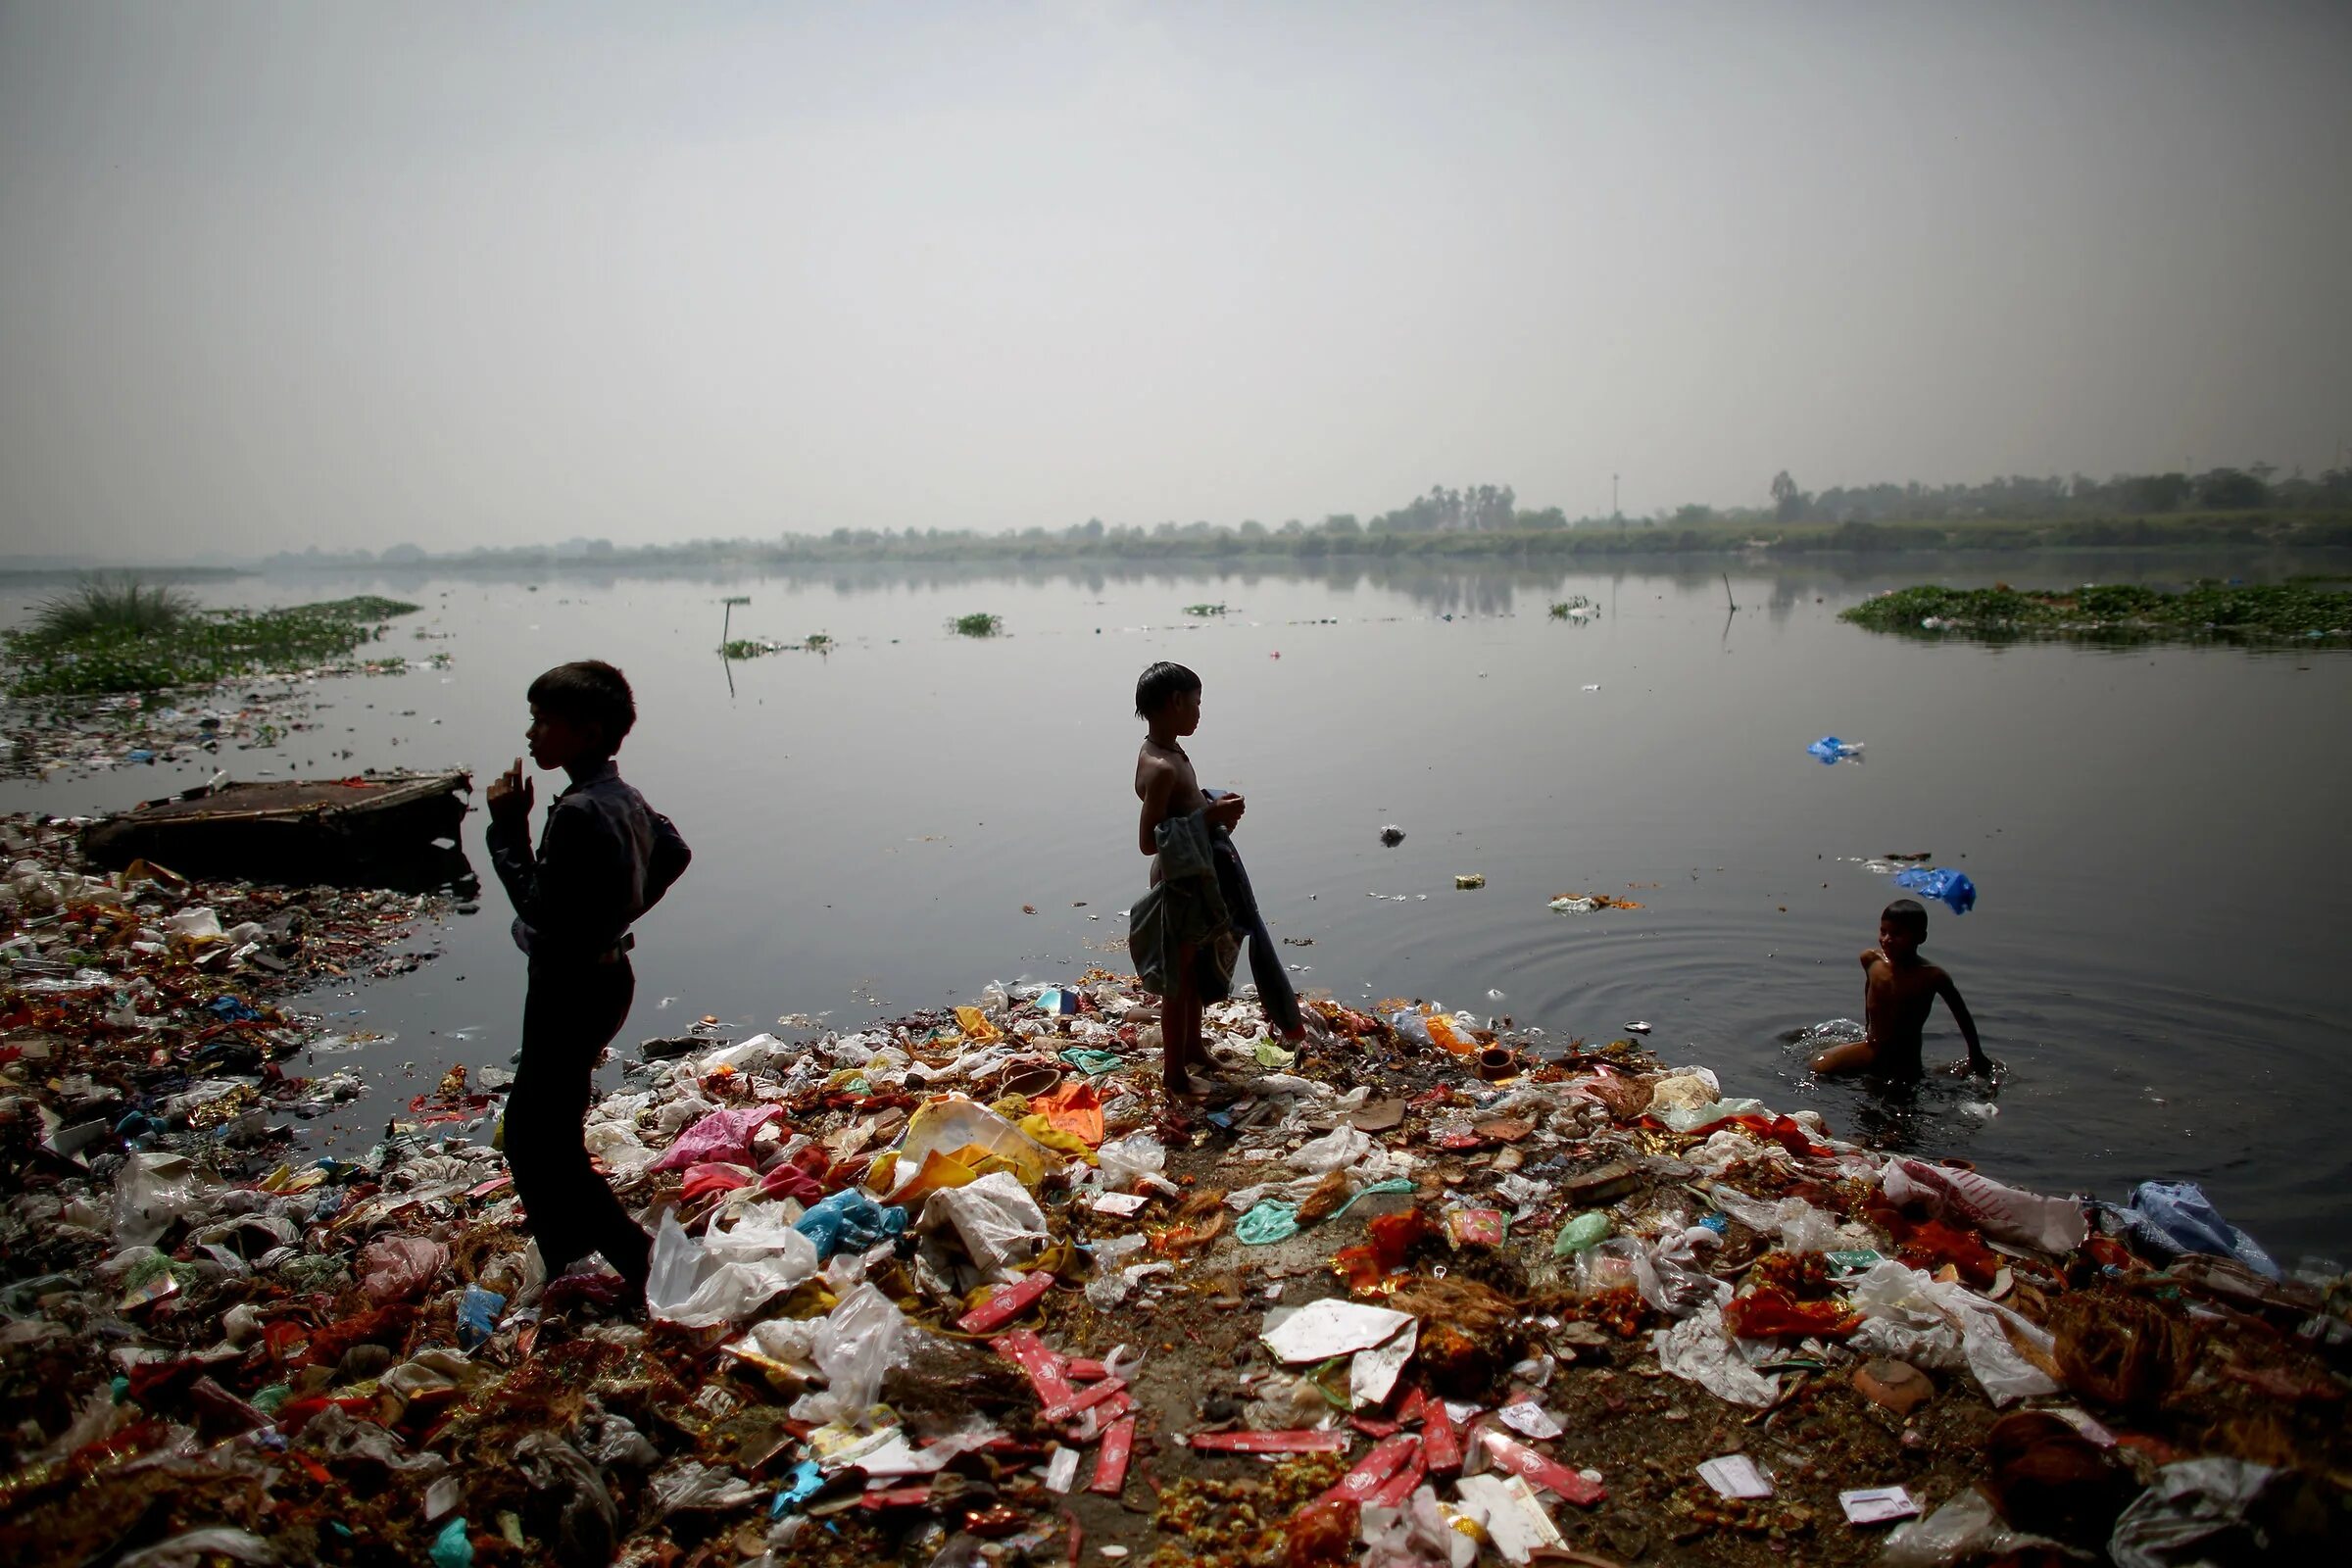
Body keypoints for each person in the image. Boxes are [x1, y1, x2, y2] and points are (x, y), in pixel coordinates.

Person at [486, 661, 690, 1309]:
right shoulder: (619, 796)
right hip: (606, 976)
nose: (532, 735)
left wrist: (506, 834)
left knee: (535, 1138)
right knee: (544, 1127)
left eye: (544, 722)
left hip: (569, 987)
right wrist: (621, 912)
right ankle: (566, 1254)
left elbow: (538, 909)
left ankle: (637, 1261)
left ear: (587, 730)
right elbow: (674, 851)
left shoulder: (576, 812)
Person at [1128, 662, 1302, 1101]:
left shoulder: (1169, 752)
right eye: (1197, 703)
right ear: (1176, 702)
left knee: (1195, 973)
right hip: (1178, 885)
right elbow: (1149, 840)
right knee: (1178, 981)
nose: (1200, 713)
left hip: (1195, 877)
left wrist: (1210, 802)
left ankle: (1194, 1050)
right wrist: (1209, 817)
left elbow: (1180, 810)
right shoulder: (1160, 766)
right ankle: (1175, 1077)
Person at [1810, 898, 1989, 1079]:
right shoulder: (1871, 961)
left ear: (1920, 937)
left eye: (1897, 934)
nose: (1887, 939)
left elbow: (1962, 1015)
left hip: (1906, 1059)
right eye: (1883, 931)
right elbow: (1869, 990)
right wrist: (1868, 1027)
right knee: (1818, 1065)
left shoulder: (1931, 976)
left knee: (1900, 1099)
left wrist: (1975, 1055)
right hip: (1874, 1047)